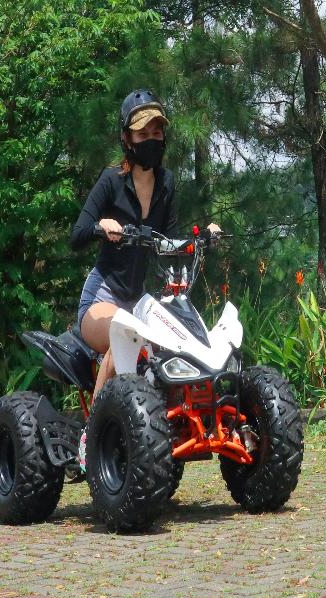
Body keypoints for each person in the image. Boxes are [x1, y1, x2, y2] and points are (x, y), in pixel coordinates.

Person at [70, 89, 217, 399]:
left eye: (156, 133)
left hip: (139, 303)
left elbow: (170, 243)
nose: (151, 140)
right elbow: (77, 234)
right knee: (125, 337)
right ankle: (95, 426)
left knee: (175, 347)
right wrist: (100, 227)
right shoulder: (111, 180)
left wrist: (203, 236)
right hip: (101, 298)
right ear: (127, 139)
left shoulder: (166, 183)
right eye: (142, 134)